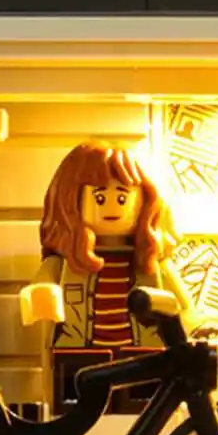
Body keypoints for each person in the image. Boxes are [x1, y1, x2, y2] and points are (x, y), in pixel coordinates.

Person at [19, 141, 192, 411]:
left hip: (143, 357)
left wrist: (197, 328)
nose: (112, 207)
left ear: (144, 201)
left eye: (122, 198)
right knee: (79, 414)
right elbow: (39, 289)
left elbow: (183, 307)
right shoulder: (65, 263)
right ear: (71, 201)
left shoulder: (149, 263)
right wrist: (42, 296)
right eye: (99, 198)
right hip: (81, 355)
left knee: (142, 416)